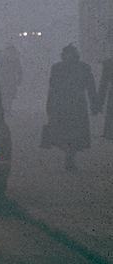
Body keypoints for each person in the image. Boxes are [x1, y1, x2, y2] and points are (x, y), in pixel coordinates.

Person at [42, 44, 98, 173]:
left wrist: (94, 104)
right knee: (67, 133)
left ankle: (70, 155)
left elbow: (90, 87)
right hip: (65, 105)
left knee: (73, 133)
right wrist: (50, 105)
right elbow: (52, 89)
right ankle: (69, 154)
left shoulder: (79, 68)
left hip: (74, 106)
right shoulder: (60, 68)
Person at [0, 43, 23, 114]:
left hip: (10, 79)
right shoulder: (3, 59)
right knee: (6, 95)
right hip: (6, 79)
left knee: (9, 95)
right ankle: (6, 109)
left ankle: (7, 109)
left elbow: (19, 70)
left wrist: (19, 79)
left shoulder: (14, 59)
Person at [96, 55, 113, 141]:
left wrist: (99, 102)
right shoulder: (109, 63)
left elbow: (103, 84)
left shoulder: (109, 63)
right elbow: (103, 84)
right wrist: (99, 102)